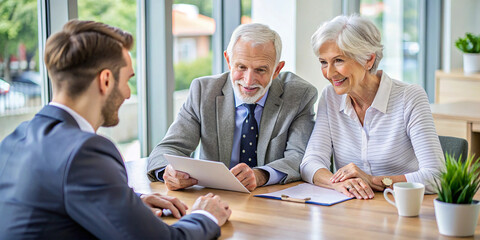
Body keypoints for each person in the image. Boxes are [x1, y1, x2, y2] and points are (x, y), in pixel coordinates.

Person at [0, 20, 231, 239]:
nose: (129, 93)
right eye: (127, 80)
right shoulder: (85, 151)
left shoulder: (17, 137)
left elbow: (54, 202)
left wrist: (131, 203)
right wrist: (206, 215)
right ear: (106, 81)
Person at [147, 23, 318, 191]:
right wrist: (167, 172)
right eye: (241, 67)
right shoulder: (203, 91)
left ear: (276, 70)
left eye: (260, 70)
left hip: (271, 202)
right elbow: (168, 148)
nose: (249, 80)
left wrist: (260, 175)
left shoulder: (299, 95)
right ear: (229, 61)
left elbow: (299, 157)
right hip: (214, 197)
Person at [300, 15, 445, 199]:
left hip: (403, 209)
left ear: (368, 59)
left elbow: (437, 176)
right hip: (351, 210)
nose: (329, 73)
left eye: (339, 61)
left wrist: (373, 181)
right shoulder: (330, 97)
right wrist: (339, 184)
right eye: (323, 62)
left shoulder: (409, 97)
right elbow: (310, 163)